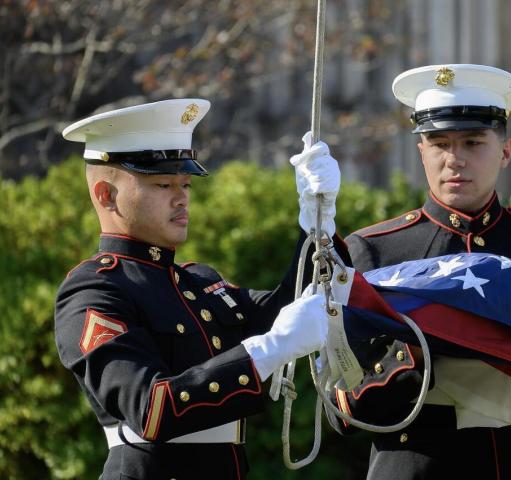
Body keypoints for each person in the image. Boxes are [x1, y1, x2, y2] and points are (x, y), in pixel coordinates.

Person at [324, 64, 511, 479]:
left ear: (506, 151)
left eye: (473, 142)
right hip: (420, 463)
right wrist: (414, 354)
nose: (455, 160)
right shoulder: (376, 250)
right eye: (439, 143)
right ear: (422, 153)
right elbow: (341, 403)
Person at [54, 98, 341, 479]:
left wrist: (318, 226)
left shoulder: (200, 281)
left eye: (186, 183)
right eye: (162, 184)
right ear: (106, 195)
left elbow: (290, 311)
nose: (181, 197)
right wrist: (270, 349)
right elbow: (150, 409)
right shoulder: (95, 291)